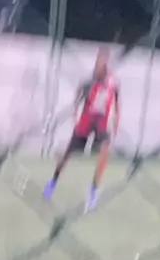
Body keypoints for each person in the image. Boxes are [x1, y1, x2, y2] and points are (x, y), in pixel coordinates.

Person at [43, 49, 120, 211]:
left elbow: (117, 103)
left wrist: (116, 125)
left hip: (102, 124)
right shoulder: (89, 82)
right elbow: (78, 95)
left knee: (104, 155)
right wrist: (75, 116)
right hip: (86, 121)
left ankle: (93, 190)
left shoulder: (113, 82)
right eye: (99, 61)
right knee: (68, 154)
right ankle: (53, 181)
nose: (101, 64)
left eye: (104, 61)